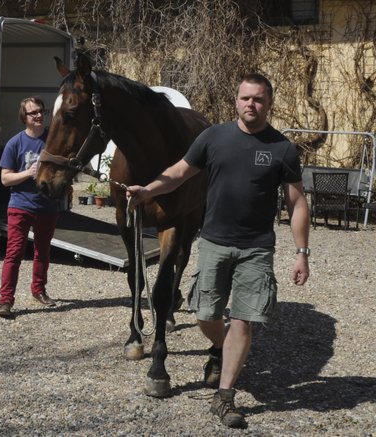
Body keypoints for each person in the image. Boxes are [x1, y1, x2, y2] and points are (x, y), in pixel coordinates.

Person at [126, 73, 310, 429]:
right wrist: (148, 190)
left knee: (243, 320)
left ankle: (225, 397)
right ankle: (227, 350)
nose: (250, 104)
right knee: (205, 316)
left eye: (258, 99)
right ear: (236, 101)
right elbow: (179, 172)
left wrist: (301, 252)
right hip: (213, 242)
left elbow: (297, 202)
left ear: (269, 103)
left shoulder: (281, 148)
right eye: (245, 98)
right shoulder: (213, 137)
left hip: (256, 249)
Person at [0, 96, 60, 319]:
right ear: (24, 117)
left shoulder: (52, 140)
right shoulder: (15, 143)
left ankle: (39, 291)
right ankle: (6, 301)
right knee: (13, 254)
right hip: (20, 206)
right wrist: (28, 173)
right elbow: (5, 179)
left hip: (47, 207)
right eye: (34, 112)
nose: (39, 115)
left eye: (41, 111)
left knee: (42, 252)